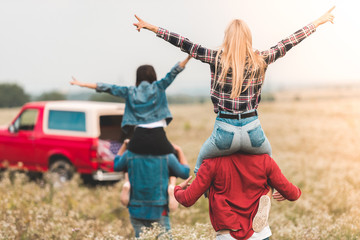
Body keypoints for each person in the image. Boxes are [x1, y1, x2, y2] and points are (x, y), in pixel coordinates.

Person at [132, 7, 335, 174]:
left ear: (227, 38)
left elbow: (185, 44)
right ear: (248, 38)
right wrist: (318, 22)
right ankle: (271, 189)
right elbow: (289, 41)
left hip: (224, 132)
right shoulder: (261, 59)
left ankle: (195, 188)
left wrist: (151, 27)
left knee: (199, 167)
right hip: (253, 131)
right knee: (271, 169)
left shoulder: (216, 58)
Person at [70, 55, 192, 210]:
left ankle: (128, 185)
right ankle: (171, 186)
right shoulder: (159, 87)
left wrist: (81, 84)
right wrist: (188, 57)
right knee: (176, 163)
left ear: (138, 77)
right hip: (158, 136)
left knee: (125, 162)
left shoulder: (130, 91)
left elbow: (107, 87)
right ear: (153, 76)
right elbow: (173, 72)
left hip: (138, 136)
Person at [174, 153, 301, 240]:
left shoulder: (211, 163)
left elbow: (187, 199)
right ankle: (267, 193)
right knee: (267, 187)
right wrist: (291, 191)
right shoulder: (265, 160)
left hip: (228, 233)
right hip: (259, 234)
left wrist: (177, 189)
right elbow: (292, 194)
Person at [114, 139, 190, 238]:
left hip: (136, 209)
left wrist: (124, 145)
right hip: (159, 209)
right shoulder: (166, 156)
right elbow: (185, 172)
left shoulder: (130, 154)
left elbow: (116, 165)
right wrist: (179, 150)